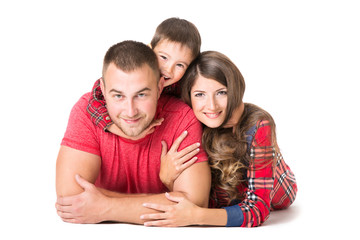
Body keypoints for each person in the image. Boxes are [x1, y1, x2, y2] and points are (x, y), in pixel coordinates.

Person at [55, 40, 211, 224]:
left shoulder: (182, 118)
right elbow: (71, 200)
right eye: (118, 96)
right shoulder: (85, 112)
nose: (130, 111)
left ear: (160, 87)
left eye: (141, 95)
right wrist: (161, 200)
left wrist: (105, 207)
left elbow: (194, 205)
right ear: (103, 90)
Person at [140, 51, 298, 227]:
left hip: (277, 192)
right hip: (225, 200)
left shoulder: (258, 125)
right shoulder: (192, 121)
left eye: (221, 92)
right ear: (189, 96)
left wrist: (197, 216)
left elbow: (257, 209)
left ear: (234, 90)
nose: (212, 105)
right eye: (200, 94)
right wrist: (167, 179)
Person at [87, 17, 201, 138]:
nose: (169, 69)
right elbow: (93, 104)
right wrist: (122, 132)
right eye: (163, 57)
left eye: (180, 65)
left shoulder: (181, 85)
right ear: (150, 49)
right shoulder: (129, 75)